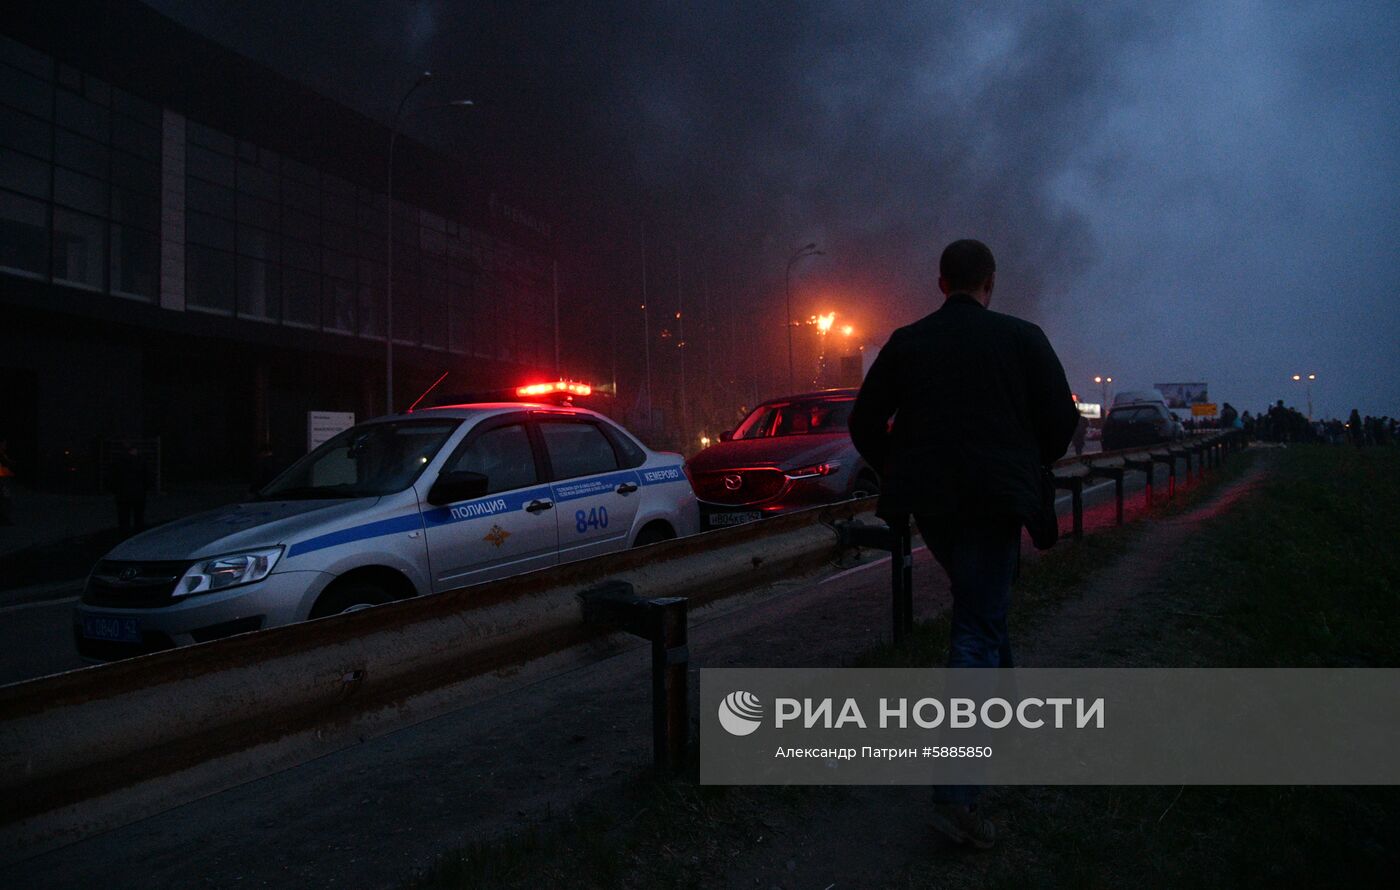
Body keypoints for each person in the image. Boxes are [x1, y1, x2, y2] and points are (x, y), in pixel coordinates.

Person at [849, 239, 1078, 849]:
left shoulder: (907, 342)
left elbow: (863, 423)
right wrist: (1030, 460)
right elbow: (1062, 421)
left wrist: (899, 467)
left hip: (932, 504)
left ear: (941, 283)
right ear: (990, 282)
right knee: (977, 627)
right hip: (995, 500)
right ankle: (956, 796)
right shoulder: (1022, 338)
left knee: (983, 607)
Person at [109, 444, 149, 536]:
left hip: (122, 493)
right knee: (138, 516)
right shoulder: (141, 461)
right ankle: (138, 534)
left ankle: (124, 533)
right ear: (134, 450)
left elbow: (112, 478)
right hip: (138, 493)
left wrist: (115, 490)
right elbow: (147, 477)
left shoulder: (118, 462)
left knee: (123, 516)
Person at [0, 438, 15, 525]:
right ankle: (4, 519)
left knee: (5, 499)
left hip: (4, 479)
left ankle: (4, 518)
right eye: (3, 444)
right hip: (2, 480)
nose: (5, 446)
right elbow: (5, 464)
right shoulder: (1, 455)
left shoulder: (3, 454)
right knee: (5, 499)